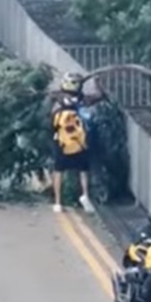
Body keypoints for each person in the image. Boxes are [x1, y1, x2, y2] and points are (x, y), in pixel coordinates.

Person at [49, 72, 105, 213]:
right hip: (80, 140)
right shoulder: (83, 100)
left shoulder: (58, 98)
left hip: (61, 141)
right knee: (83, 170)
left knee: (58, 170)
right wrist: (97, 82)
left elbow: (51, 118)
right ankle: (85, 195)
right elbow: (99, 96)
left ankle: (57, 202)